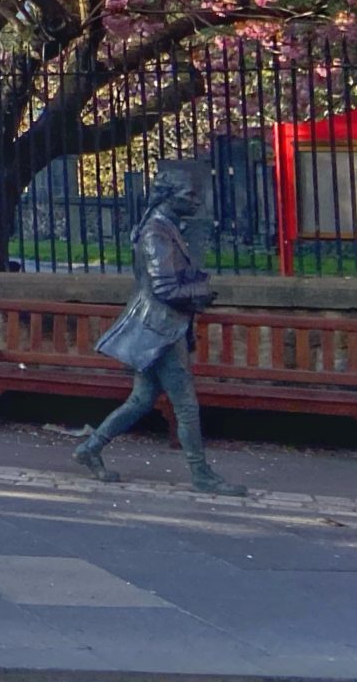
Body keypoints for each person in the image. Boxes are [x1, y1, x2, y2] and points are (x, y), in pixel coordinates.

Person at [73, 158, 249, 496]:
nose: (196, 201)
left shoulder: (164, 228)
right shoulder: (156, 233)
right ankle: (201, 475)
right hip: (162, 330)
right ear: (169, 196)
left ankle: (90, 448)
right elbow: (165, 289)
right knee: (186, 405)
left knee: (141, 400)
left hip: (162, 328)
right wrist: (202, 292)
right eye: (189, 195)